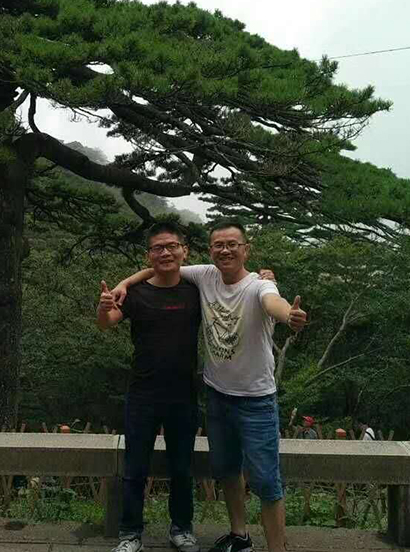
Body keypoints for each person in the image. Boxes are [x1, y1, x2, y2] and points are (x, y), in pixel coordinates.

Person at [113, 220, 306, 552]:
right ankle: (239, 537)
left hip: (256, 400)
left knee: (266, 481)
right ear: (209, 250)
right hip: (216, 395)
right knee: (228, 471)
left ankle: (277, 548)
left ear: (246, 249)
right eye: (219, 244)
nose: (225, 250)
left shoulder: (260, 286)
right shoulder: (204, 275)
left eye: (233, 244)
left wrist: (289, 315)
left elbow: (273, 302)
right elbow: (161, 266)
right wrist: (124, 283)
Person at [96, 222, 202, 552]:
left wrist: (264, 278)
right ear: (149, 255)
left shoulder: (197, 289)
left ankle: (181, 528)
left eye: (172, 246)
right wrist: (103, 308)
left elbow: (234, 281)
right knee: (135, 468)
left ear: (184, 251)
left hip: (184, 393)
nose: (165, 252)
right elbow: (107, 323)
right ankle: (130, 534)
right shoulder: (136, 293)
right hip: (143, 392)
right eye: (158, 248)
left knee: (182, 468)